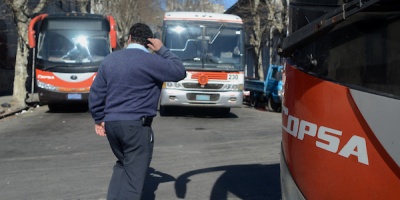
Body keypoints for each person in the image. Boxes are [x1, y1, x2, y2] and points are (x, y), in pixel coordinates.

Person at [88, 23, 186, 200]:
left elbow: (96, 93)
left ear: (129, 38)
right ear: (149, 42)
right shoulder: (153, 61)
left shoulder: (110, 60)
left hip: (112, 125)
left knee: (123, 166)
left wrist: (98, 119)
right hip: (136, 127)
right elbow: (179, 71)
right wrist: (162, 49)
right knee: (134, 179)